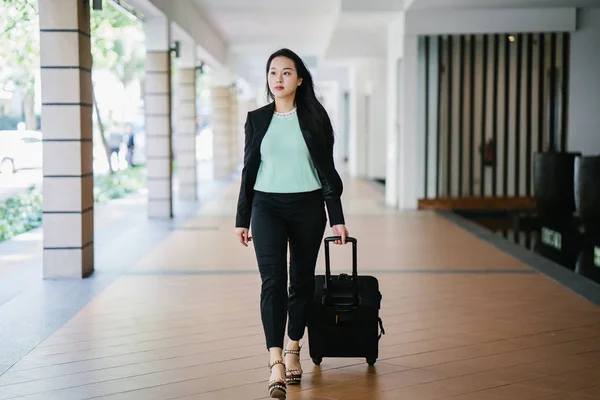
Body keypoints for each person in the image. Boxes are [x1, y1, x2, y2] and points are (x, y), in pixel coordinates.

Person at [235, 48, 349, 399]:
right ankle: (275, 363)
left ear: (299, 79)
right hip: (266, 206)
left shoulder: (316, 118)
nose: (278, 79)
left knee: (300, 280)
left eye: (286, 73)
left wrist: (337, 218)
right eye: (272, 73)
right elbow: (249, 169)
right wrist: (243, 217)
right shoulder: (256, 119)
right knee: (273, 281)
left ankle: (294, 346)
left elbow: (326, 170)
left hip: (308, 207)